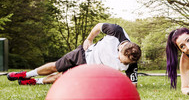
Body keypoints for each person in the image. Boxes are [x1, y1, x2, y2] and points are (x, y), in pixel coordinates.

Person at [7, 23, 141, 86]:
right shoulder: (116, 31)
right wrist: (89, 39)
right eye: (120, 57)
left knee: (62, 77)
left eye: (124, 62)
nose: (119, 60)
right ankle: (26, 74)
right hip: (84, 53)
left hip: (90, 69)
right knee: (56, 66)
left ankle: (35, 82)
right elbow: (98, 26)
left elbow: (133, 86)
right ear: (121, 47)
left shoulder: (131, 63)